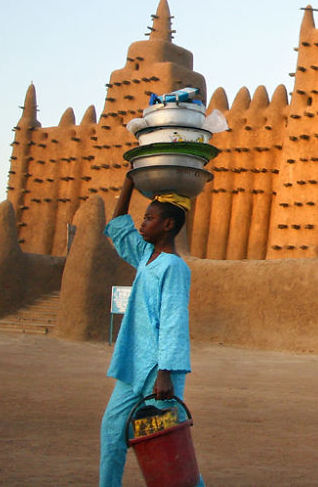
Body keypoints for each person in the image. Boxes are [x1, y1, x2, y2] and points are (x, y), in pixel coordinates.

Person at [99, 175, 204, 486]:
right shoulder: (146, 257)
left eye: (149, 218)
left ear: (168, 225)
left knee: (168, 449)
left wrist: (165, 373)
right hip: (134, 368)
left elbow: (173, 321)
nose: (142, 224)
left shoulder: (173, 267)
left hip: (159, 375)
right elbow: (118, 226)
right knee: (111, 433)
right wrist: (129, 181)